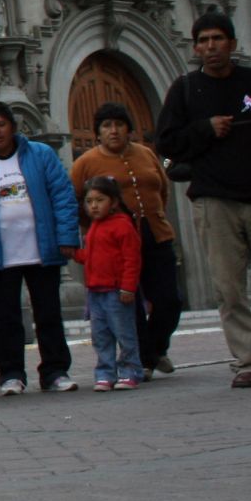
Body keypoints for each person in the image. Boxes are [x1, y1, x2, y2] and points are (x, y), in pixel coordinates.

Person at [154, 10, 251, 389]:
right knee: (229, 288)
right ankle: (248, 360)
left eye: (218, 39)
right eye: (203, 41)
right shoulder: (185, 90)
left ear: (232, 43)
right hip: (214, 200)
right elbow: (164, 145)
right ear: (195, 47)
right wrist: (204, 129)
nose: (211, 47)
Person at [0, 102, 79, 395]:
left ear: (13, 126)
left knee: (48, 313)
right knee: (6, 316)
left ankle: (55, 371)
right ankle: (11, 374)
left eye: (1, 124)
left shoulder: (41, 155)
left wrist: (67, 237)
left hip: (42, 248)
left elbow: (62, 196)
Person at [71, 101, 181, 377]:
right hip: (114, 243)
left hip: (155, 234)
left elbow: (162, 189)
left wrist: (155, 215)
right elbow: (74, 200)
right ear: (97, 132)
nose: (114, 131)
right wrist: (95, 231)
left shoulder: (146, 153)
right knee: (128, 302)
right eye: (107, 126)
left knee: (169, 300)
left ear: (128, 129)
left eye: (119, 125)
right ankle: (143, 359)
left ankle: (154, 350)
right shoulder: (86, 163)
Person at [77, 176, 143, 391]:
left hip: (116, 290)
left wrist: (128, 287)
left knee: (124, 333)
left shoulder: (122, 225)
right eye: (89, 201)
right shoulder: (95, 226)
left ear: (113, 202)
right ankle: (105, 372)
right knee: (101, 335)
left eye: (100, 200)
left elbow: (131, 259)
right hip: (96, 290)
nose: (94, 206)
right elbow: (93, 256)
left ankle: (130, 370)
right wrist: (76, 254)